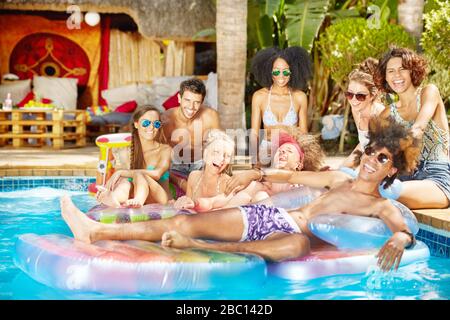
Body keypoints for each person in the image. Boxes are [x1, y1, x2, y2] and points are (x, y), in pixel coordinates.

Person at [61, 117, 420, 271]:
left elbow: (401, 228)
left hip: (292, 235)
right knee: (186, 223)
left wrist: (399, 241)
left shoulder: (380, 205)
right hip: (275, 218)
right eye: (372, 152)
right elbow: (292, 174)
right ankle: (97, 231)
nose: (373, 159)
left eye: (383, 157)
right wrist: (257, 171)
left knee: (297, 247)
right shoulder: (337, 181)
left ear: (393, 168)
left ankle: (201, 249)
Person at [375, 47, 450, 209]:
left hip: (437, 176)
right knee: (363, 188)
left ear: (412, 71)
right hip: (404, 176)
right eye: (391, 71)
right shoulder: (387, 114)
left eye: (402, 69)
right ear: (385, 76)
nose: (397, 76)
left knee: (386, 192)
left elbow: (418, 128)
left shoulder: (429, 92)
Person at [96, 105, 172, 208]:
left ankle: (137, 202)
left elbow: (157, 174)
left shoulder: (165, 150)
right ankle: (113, 198)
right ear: (136, 124)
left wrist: (121, 172)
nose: (151, 127)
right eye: (146, 123)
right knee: (125, 182)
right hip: (135, 193)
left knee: (138, 174)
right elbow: (123, 179)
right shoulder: (128, 150)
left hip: (160, 198)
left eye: (156, 124)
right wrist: (109, 188)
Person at [250, 47, 312, 165]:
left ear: (293, 71)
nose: (281, 76)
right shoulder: (259, 96)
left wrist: (304, 159)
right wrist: (254, 159)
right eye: (276, 72)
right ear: (270, 72)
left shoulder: (300, 97)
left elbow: (303, 134)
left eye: (286, 72)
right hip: (266, 151)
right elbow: (255, 133)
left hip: (291, 151)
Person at [161, 78, 221, 192]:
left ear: (202, 102)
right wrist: (179, 181)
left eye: (196, 102)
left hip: (201, 165)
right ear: (179, 98)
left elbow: (220, 147)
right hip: (175, 167)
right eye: (187, 100)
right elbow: (158, 156)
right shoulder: (166, 119)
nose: (191, 107)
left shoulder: (210, 116)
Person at [173, 129, 236, 212]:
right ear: (205, 154)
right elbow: (187, 210)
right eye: (216, 152)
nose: (221, 159)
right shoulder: (193, 176)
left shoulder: (229, 184)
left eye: (227, 156)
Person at [341, 58, 385, 168]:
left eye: (360, 96)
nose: (353, 100)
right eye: (349, 94)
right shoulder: (357, 110)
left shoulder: (380, 114)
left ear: (372, 95)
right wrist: (341, 168)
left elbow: (383, 154)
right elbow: (363, 144)